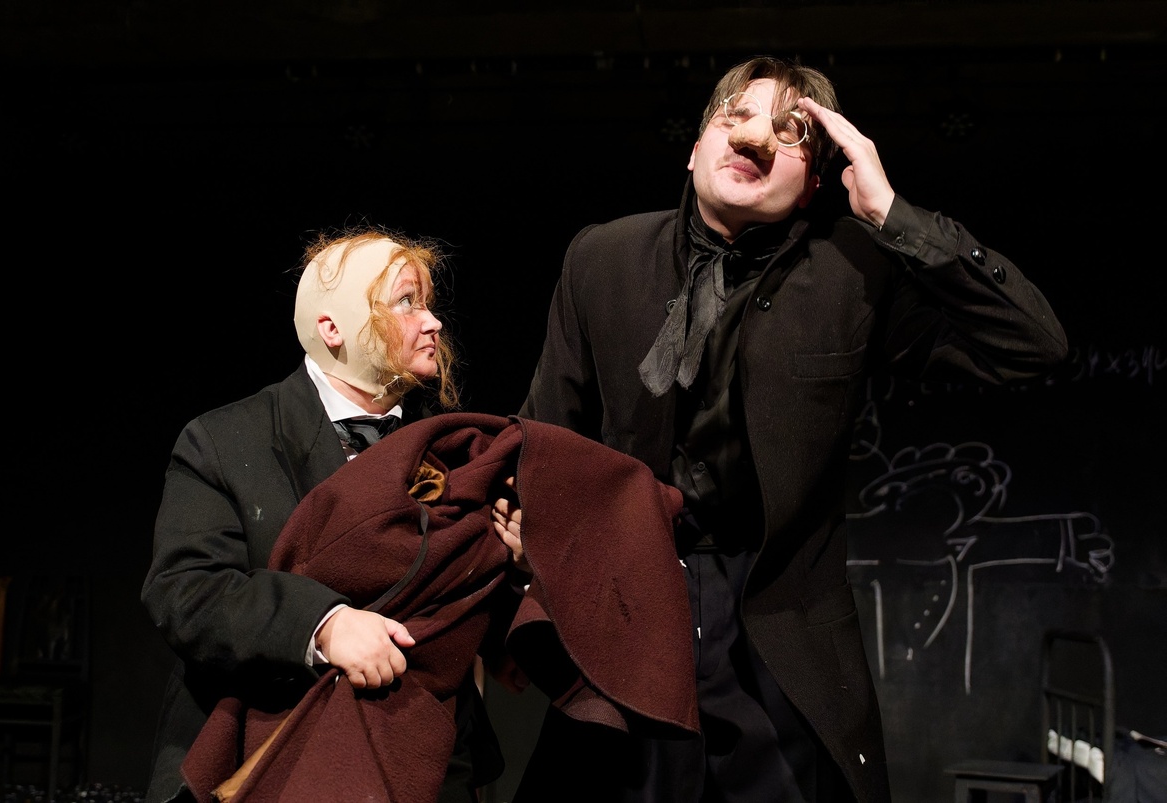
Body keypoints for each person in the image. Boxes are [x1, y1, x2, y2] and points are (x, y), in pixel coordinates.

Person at [512, 55, 1069, 803]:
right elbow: (541, 444)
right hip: (626, 620)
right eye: (735, 117)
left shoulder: (852, 271)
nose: (753, 139)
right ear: (694, 149)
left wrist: (892, 215)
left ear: (814, 184)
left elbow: (1034, 345)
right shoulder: (603, 258)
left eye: (789, 132)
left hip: (777, 632)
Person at [141, 226, 513, 803]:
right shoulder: (225, 440)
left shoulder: (451, 450)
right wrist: (323, 625)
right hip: (270, 746)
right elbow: (186, 591)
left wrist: (515, 565)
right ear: (332, 329)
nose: (433, 322)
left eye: (428, 304)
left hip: (426, 759)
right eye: (406, 302)